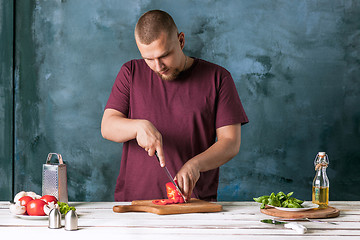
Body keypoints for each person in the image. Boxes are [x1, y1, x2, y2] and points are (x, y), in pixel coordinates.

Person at [101, 10, 248, 202]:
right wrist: (138, 127)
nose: (158, 66)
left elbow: (230, 142)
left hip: (194, 202)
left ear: (181, 41)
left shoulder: (218, 78)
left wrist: (196, 164)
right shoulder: (130, 72)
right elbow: (107, 127)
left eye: (164, 55)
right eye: (149, 59)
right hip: (135, 204)